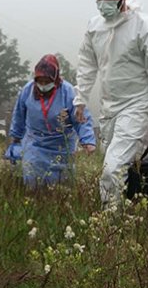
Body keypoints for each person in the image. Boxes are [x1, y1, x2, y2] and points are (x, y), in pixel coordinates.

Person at [73, 0, 148, 209]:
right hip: (108, 108)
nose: (103, 3)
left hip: (136, 105)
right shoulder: (95, 26)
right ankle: (137, 210)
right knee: (121, 166)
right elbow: (87, 64)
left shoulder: (144, 27)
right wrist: (81, 100)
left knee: (113, 167)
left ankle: (109, 224)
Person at [10, 54, 96, 189]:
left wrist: (87, 140)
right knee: (33, 179)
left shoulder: (68, 92)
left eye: (47, 81)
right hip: (35, 143)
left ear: (55, 79)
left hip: (61, 145)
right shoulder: (28, 90)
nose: (43, 85)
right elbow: (19, 114)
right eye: (40, 81)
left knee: (62, 185)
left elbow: (81, 117)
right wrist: (16, 137)